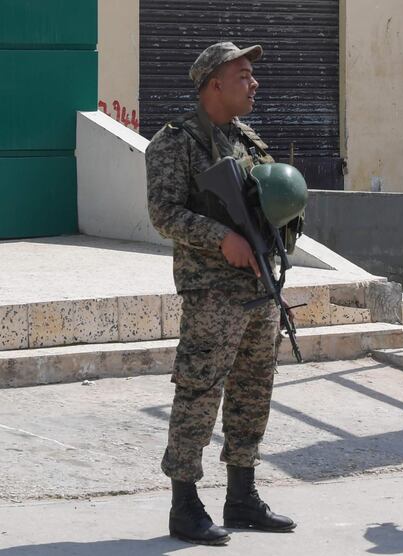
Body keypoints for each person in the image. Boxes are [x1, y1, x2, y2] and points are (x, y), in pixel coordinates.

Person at [146, 42, 296, 546]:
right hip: (212, 291)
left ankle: (242, 495)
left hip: (258, 286)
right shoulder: (176, 142)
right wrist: (221, 238)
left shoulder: (247, 140)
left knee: (254, 389)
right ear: (214, 83)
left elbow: (270, 203)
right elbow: (164, 213)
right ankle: (184, 504)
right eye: (244, 75)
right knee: (199, 391)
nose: (254, 84)